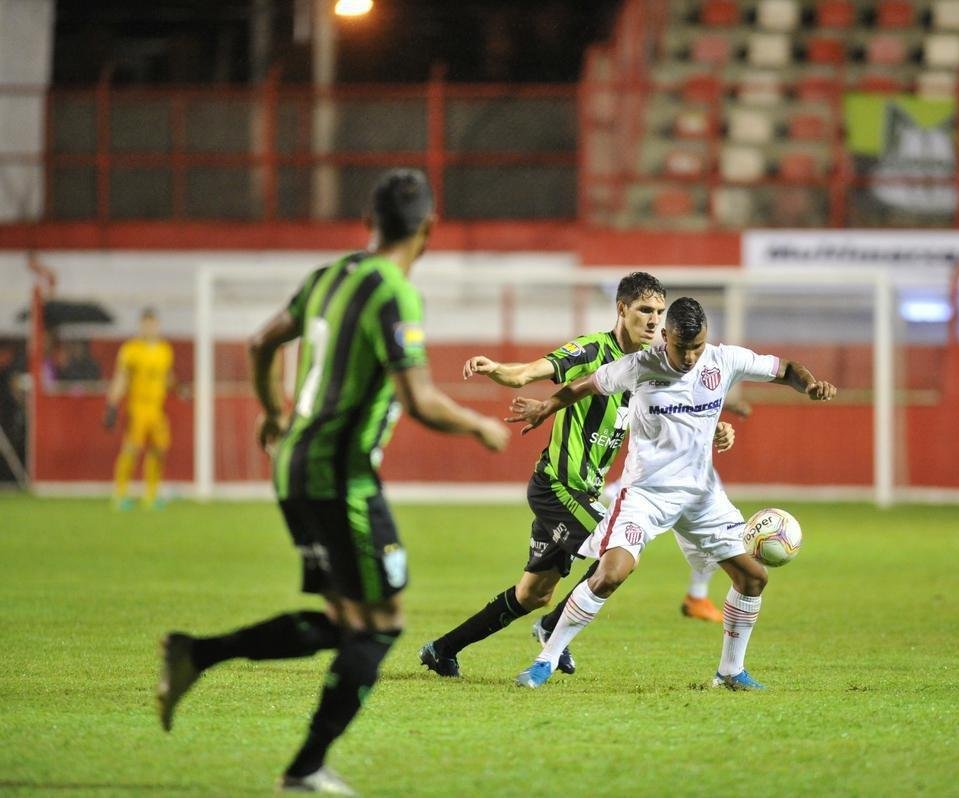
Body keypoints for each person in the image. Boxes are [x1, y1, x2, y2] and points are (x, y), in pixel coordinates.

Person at [155, 169, 511, 795]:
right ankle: (303, 768)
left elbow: (261, 343)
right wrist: (481, 425)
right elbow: (419, 399)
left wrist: (274, 411)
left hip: (293, 466)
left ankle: (196, 655)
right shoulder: (394, 293)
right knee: (381, 623)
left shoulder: (327, 277)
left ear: (368, 223)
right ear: (430, 228)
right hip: (340, 476)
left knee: (347, 619)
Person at [416, 273, 736, 680]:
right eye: (644, 310)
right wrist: (497, 369)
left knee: (533, 593)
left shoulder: (656, 363)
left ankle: (442, 649)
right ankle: (553, 629)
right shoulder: (591, 350)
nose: (654, 319)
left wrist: (719, 428)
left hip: (584, 492)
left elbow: (684, 409)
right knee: (617, 549)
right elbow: (529, 372)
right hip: (557, 486)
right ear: (622, 309)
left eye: (659, 311)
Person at [508, 297, 836, 691]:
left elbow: (785, 369)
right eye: (682, 347)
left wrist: (809, 384)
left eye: (697, 346)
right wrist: (546, 407)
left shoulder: (724, 359)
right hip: (645, 494)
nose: (690, 357)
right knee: (611, 574)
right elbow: (586, 384)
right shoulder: (640, 366)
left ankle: (730, 671)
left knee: (753, 577)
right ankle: (545, 659)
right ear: (666, 336)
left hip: (700, 496)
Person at [103, 307, 174, 509]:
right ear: (141, 326)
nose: (149, 328)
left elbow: (167, 377)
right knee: (132, 449)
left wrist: (178, 388)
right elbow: (121, 378)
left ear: (157, 326)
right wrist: (112, 404)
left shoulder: (165, 350)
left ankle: (150, 496)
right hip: (137, 407)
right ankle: (120, 494)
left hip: (157, 409)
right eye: (146, 324)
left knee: (159, 449)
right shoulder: (131, 350)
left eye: (153, 324)